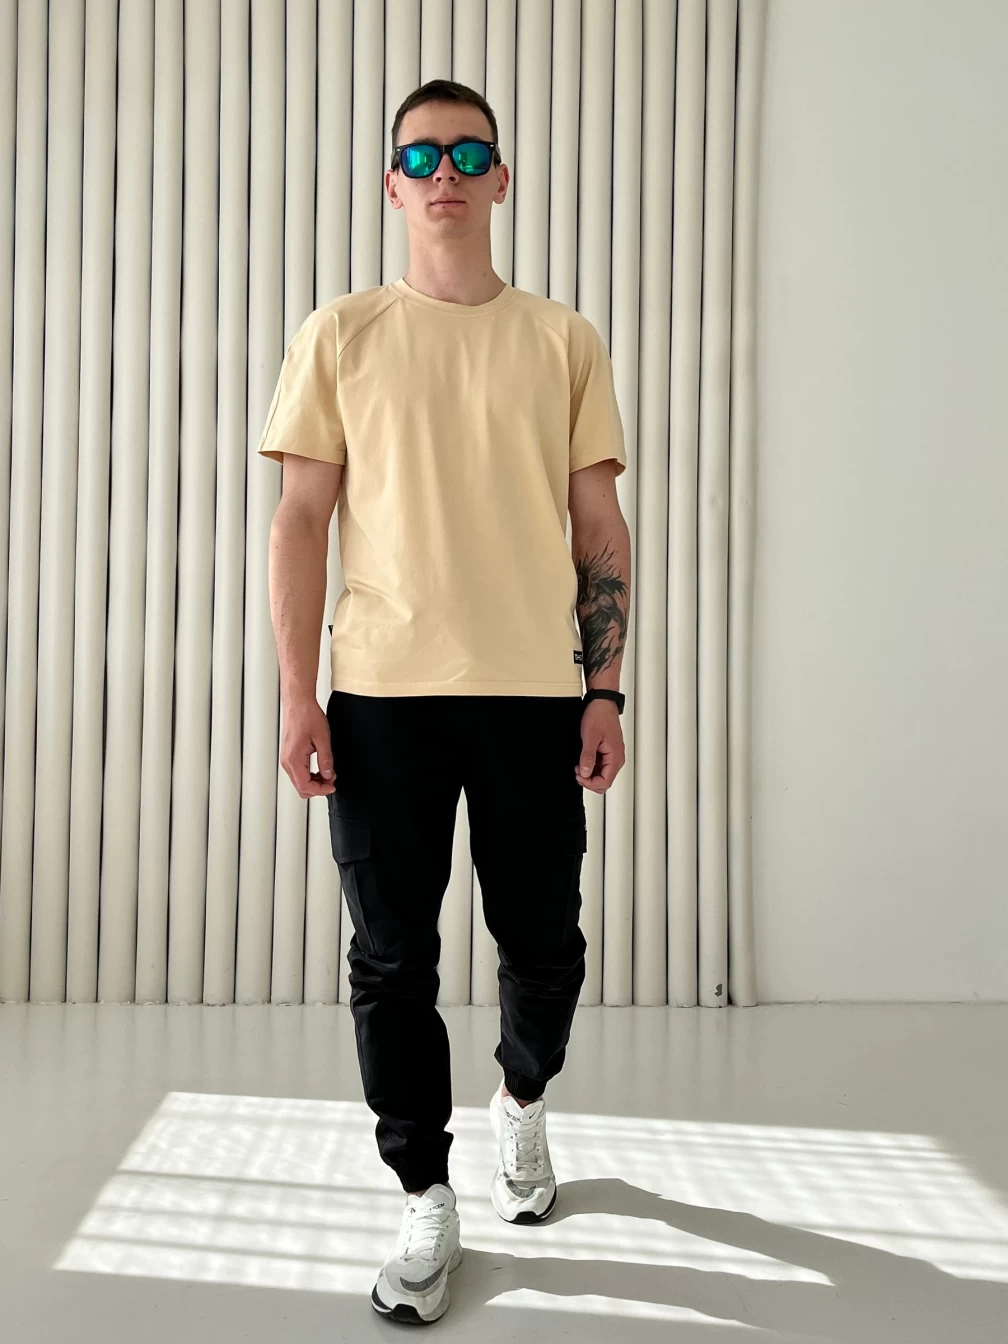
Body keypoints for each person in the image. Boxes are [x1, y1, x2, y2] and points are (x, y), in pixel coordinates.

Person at [258, 77, 631, 1326]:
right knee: (391, 960)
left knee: (547, 946)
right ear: (393, 184)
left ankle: (522, 1099)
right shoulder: (342, 333)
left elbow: (599, 528)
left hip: (532, 695)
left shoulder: (561, 339)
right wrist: (298, 694)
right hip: (381, 700)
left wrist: (605, 688)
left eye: (470, 153)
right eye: (422, 157)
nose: (447, 174)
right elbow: (300, 520)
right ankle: (424, 1191)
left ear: (502, 178)